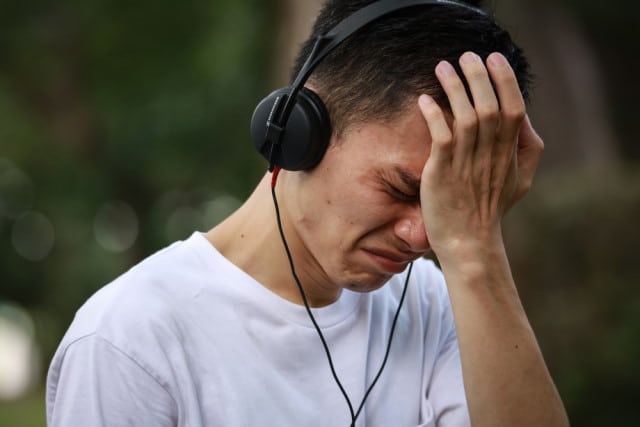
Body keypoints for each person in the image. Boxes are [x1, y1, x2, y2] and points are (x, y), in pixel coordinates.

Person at [46, 0, 570, 426]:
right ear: (299, 130)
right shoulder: (129, 340)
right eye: (399, 188)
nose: (422, 235)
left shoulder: (435, 301)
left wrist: (478, 250)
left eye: (445, 202)